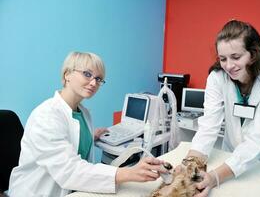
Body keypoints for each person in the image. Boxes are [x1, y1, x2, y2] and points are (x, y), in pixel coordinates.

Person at [8, 52, 167, 197]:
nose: (93, 83)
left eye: (98, 79)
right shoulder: (46, 116)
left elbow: (69, 138)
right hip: (37, 192)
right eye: (87, 74)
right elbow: (68, 170)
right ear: (67, 74)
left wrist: (90, 136)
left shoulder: (83, 113)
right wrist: (129, 173)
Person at [184, 20, 260, 196]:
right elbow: (208, 126)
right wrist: (189, 165)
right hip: (234, 152)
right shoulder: (217, 77)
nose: (228, 66)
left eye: (236, 57)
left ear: (253, 54)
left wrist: (214, 177)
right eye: (223, 59)